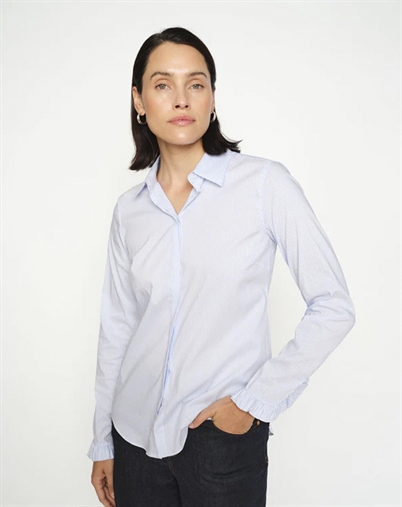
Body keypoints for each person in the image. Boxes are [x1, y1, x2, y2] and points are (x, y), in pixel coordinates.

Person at [88, 27, 356, 507]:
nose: (181, 98)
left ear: (212, 98)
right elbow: (118, 329)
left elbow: (333, 306)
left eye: (196, 84)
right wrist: (102, 441)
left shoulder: (264, 185)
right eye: (163, 84)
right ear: (139, 101)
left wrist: (252, 403)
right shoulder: (130, 211)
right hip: (133, 438)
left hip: (221, 441)